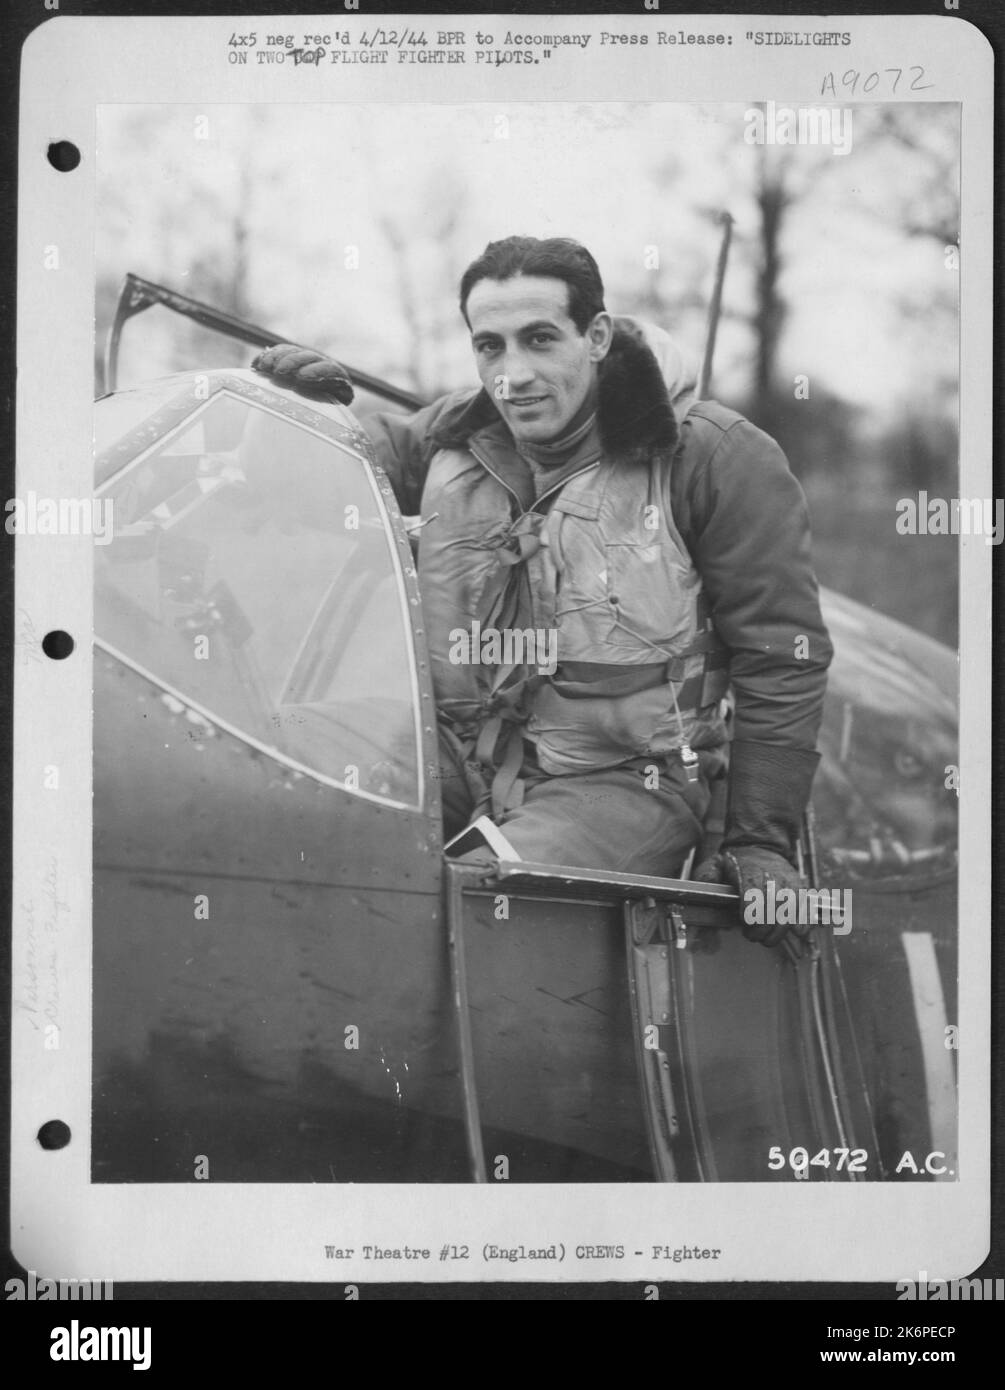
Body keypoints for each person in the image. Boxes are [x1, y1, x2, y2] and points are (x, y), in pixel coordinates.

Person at [253, 236, 833, 946]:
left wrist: (758, 840)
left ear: (594, 337)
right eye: (489, 347)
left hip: (625, 776)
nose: (513, 375)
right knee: (275, 800)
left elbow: (783, 654)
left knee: (474, 902)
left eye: (538, 339)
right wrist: (289, 415)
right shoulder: (457, 432)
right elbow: (352, 464)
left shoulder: (715, 456)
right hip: (455, 748)